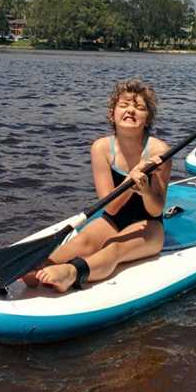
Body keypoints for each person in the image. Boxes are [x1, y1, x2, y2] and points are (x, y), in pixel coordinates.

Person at [26, 79, 172, 293]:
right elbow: (110, 208)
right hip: (113, 218)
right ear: (112, 113)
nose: (131, 111)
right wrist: (129, 181)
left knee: (115, 248)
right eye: (124, 105)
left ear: (147, 117)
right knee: (82, 241)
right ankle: (38, 267)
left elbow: (156, 209)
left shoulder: (159, 151)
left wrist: (145, 189)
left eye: (139, 107)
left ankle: (72, 273)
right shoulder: (101, 148)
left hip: (149, 225)